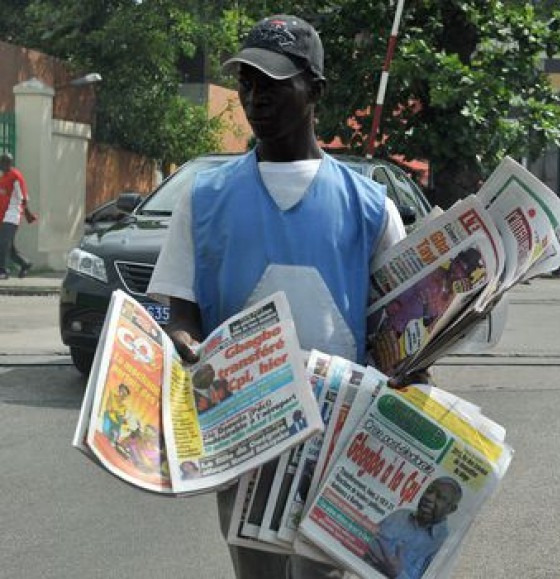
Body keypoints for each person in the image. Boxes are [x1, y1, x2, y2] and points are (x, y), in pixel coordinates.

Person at [146, 14, 416, 579]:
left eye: (272, 83)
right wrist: (182, 341)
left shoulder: (371, 206)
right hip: (244, 439)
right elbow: (173, 305)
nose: (254, 97)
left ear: (315, 91)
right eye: (246, 83)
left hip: (341, 440)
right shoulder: (204, 196)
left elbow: (402, 330)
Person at [364, 477, 463, 579]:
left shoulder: (444, 546)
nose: (429, 497)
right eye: (429, 491)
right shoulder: (400, 515)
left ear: (451, 509)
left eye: (440, 497)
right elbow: (366, 540)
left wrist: (397, 574)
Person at [0, 152, 34, 279]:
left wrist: (27, 213)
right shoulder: (3, 177)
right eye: (2, 162)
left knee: (2, 243)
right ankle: (25, 264)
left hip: (12, 215)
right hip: (3, 215)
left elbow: (23, 198)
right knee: (9, 247)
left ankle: (2, 271)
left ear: (10, 163)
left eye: (6, 162)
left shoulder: (15, 176)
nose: (4, 165)